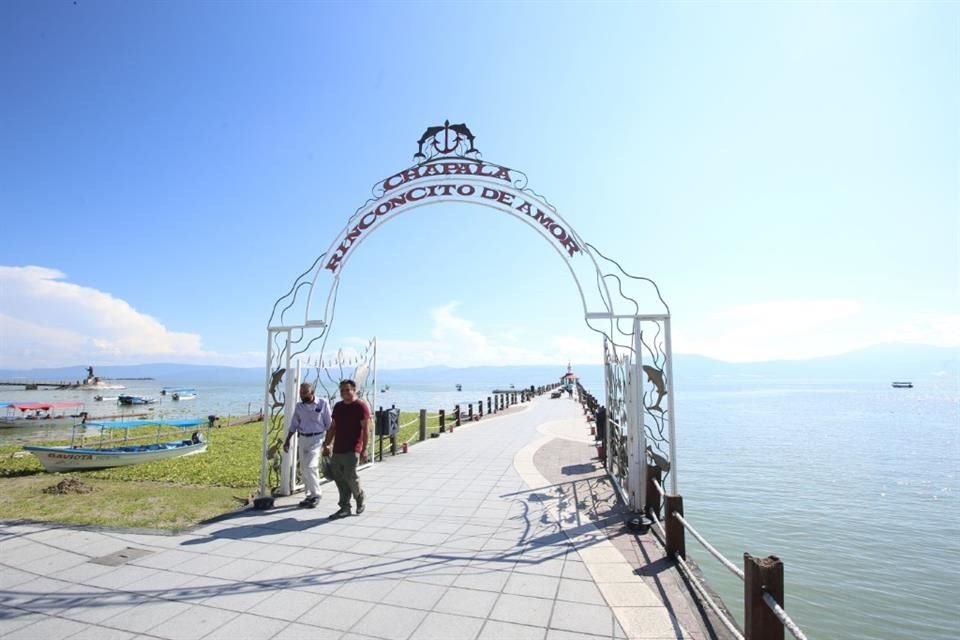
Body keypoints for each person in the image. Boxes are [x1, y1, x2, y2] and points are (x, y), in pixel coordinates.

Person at [322, 379, 369, 519]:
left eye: (347, 390)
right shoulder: (338, 407)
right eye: (342, 390)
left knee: (350, 476)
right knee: (339, 478)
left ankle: (359, 497)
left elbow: (366, 430)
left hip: (353, 448)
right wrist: (327, 444)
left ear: (354, 390)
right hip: (338, 448)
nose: (344, 393)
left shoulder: (360, 406)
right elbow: (333, 427)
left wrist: (364, 449)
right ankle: (345, 507)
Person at [283, 382, 331, 509]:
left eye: (305, 392)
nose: (302, 394)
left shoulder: (323, 403)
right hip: (303, 438)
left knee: (311, 466)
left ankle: (316, 494)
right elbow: (294, 423)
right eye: (300, 392)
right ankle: (309, 495)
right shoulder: (299, 407)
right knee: (304, 469)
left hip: (317, 438)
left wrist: (329, 443)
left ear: (312, 392)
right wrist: (287, 440)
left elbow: (329, 424)